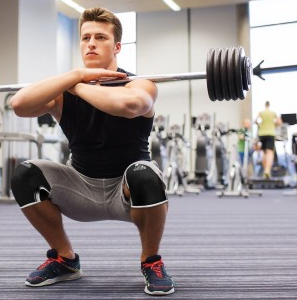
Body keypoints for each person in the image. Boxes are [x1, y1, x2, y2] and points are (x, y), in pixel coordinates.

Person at [9, 7, 174, 296]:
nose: (91, 43)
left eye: (100, 37)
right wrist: (75, 76)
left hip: (129, 193)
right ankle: (65, 259)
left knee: (144, 173)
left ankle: (151, 261)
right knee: (25, 174)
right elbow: (19, 105)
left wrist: (78, 86)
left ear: (117, 46)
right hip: (80, 187)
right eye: (86, 38)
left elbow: (128, 106)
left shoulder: (140, 84)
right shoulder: (66, 88)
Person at [255, 101, 282, 178]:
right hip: (270, 133)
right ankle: (267, 170)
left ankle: (265, 171)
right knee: (270, 152)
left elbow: (255, 121)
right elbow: (279, 122)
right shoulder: (273, 113)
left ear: (265, 105)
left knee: (264, 152)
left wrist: (260, 125)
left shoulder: (261, 113)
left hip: (262, 133)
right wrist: (274, 125)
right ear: (269, 105)